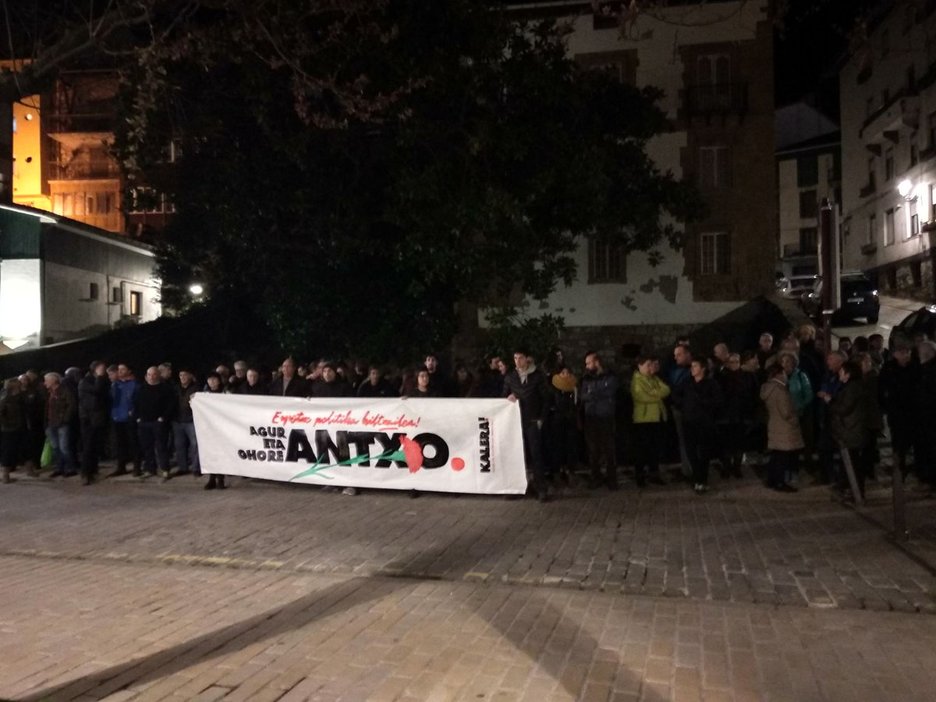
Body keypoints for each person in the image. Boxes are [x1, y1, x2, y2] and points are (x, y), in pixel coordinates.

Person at [503, 348, 550, 501]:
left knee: (536, 455)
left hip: (532, 421)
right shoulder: (511, 377)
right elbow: (504, 396)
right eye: (515, 358)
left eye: (520, 357)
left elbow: (545, 398)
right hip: (516, 422)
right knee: (517, 455)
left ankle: (541, 488)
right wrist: (508, 397)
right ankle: (517, 488)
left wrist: (541, 418)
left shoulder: (537, 376)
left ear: (527, 359)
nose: (517, 361)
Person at [672, 359, 723, 494]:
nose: (692, 368)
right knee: (691, 451)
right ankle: (697, 478)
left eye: (695, 366)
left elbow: (717, 401)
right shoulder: (687, 382)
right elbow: (675, 395)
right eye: (692, 366)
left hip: (704, 422)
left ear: (703, 368)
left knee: (704, 452)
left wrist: (702, 403)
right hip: (689, 422)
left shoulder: (711, 384)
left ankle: (702, 480)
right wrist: (684, 405)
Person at [825, 360, 868, 499]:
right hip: (850, 429)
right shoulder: (853, 386)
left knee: (853, 463)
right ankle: (849, 489)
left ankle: (855, 492)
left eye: (842, 371)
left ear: (848, 374)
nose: (839, 374)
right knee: (850, 462)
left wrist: (830, 401)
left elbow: (844, 409)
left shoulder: (852, 388)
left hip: (851, 430)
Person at [760, 364, 802, 492]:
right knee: (782, 457)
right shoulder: (781, 390)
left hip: (774, 424)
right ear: (778, 374)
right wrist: (795, 418)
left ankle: (771, 480)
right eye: (784, 374)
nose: (786, 376)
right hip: (785, 427)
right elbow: (786, 412)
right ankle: (779, 482)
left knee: (776, 455)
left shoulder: (767, 388)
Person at [581, 351, 619, 491]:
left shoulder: (610, 376)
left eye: (589, 363)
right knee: (593, 451)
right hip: (591, 418)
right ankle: (595, 478)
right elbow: (583, 396)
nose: (587, 366)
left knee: (609, 450)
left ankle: (611, 479)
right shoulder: (586, 378)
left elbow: (611, 391)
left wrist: (593, 393)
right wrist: (599, 392)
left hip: (606, 417)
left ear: (597, 362)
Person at [630, 355, 670, 487]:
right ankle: (640, 476)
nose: (649, 368)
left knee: (654, 449)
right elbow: (641, 396)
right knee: (642, 450)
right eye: (647, 365)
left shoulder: (654, 378)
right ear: (639, 366)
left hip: (656, 418)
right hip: (643, 420)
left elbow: (666, 389)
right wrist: (657, 395)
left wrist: (653, 393)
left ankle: (654, 474)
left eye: (650, 365)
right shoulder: (636, 380)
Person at [717, 352, 758, 479]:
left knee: (739, 443)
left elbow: (754, 394)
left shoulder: (748, 377)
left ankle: (737, 467)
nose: (734, 364)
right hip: (726, 416)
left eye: (736, 362)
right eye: (731, 362)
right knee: (726, 443)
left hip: (741, 415)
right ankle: (726, 466)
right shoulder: (721, 377)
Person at [133, 366, 176, 481]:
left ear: (158, 375)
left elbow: (170, 405)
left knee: (161, 446)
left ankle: (165, 469)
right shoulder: (141, 389)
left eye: (153, 374)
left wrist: (163, 418)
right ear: (146, 376)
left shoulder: (165, 389)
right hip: (144, 423)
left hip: (158, 423)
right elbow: (135, 404)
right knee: (147, 447)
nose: (151, 377)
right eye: (149, 374)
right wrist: (137, 418)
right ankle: (150, 469)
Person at [545, 364, 579, 485]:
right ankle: (556, 473)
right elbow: (549, 405)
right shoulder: (553, 389)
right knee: (557, 448)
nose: (566, 375)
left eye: (568, 372)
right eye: (563, 373)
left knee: (571, 448)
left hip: (570, 421)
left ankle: (570, 472)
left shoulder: (574, 388)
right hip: (557, 421)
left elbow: (576, 404)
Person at [77, 361, 110, 485]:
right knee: (88, 447)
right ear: (95, 369)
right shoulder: (85, 381)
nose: (104, 370)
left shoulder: (102, 380)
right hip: (88, 419)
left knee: (96, 445)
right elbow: (97, 390)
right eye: (102, 368)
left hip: (99, 418)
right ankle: (86, 473)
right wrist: (100, 376)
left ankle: (94, 469)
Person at [44, 372, 77, 478]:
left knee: (64, 447)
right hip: (51, 423)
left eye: (46, 380)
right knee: (56, 448)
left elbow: (71, 405)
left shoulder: (64, 391)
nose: (45, 383)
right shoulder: (48, 393)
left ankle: (70, 468)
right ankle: (59, 468)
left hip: (61, 423)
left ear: (54, 380)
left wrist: (65, 419)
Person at [109, 363, 140, 477]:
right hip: (117, 417)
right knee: (119, 444)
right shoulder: (115, 385)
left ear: (129, 371)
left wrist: (134, 411)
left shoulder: (135, 384)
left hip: (130, 418)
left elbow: (138, 400)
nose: (120, 371)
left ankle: (137, 467)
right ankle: (121, 467)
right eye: (119, 369)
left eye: (123, 369)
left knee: (133, 443)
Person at [173, 369, 200, 477]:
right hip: (177, 420)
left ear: (190, 376)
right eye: (180, 375)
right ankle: (183, 467)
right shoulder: (176, 388)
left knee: (195, 445)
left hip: (191, 420)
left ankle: (196, 468)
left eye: (185, 375)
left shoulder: (196, 388)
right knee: (179, 445)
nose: (182, 377)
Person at [0, 378, 26, 483]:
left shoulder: (19, 397)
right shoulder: (5, 398)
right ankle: (5, 476)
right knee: (8, 451)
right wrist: (7, 424)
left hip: (20, 426)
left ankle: (30, 470)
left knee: (25, 448)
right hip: (8, 429)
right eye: (19, 385)